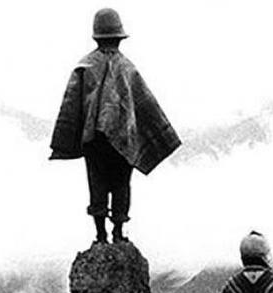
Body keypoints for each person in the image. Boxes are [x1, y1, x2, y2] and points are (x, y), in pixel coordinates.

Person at [50, 8, 181, 244]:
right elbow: (144, 106)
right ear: (119, 38)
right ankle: (118, 233)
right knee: (121, 184)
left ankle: (100, 235)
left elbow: (70, 107)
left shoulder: (84, 67)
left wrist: (67, 140)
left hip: (94, 141)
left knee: (97, 183)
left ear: (96, 37)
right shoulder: (128, 68)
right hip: (124, 140)